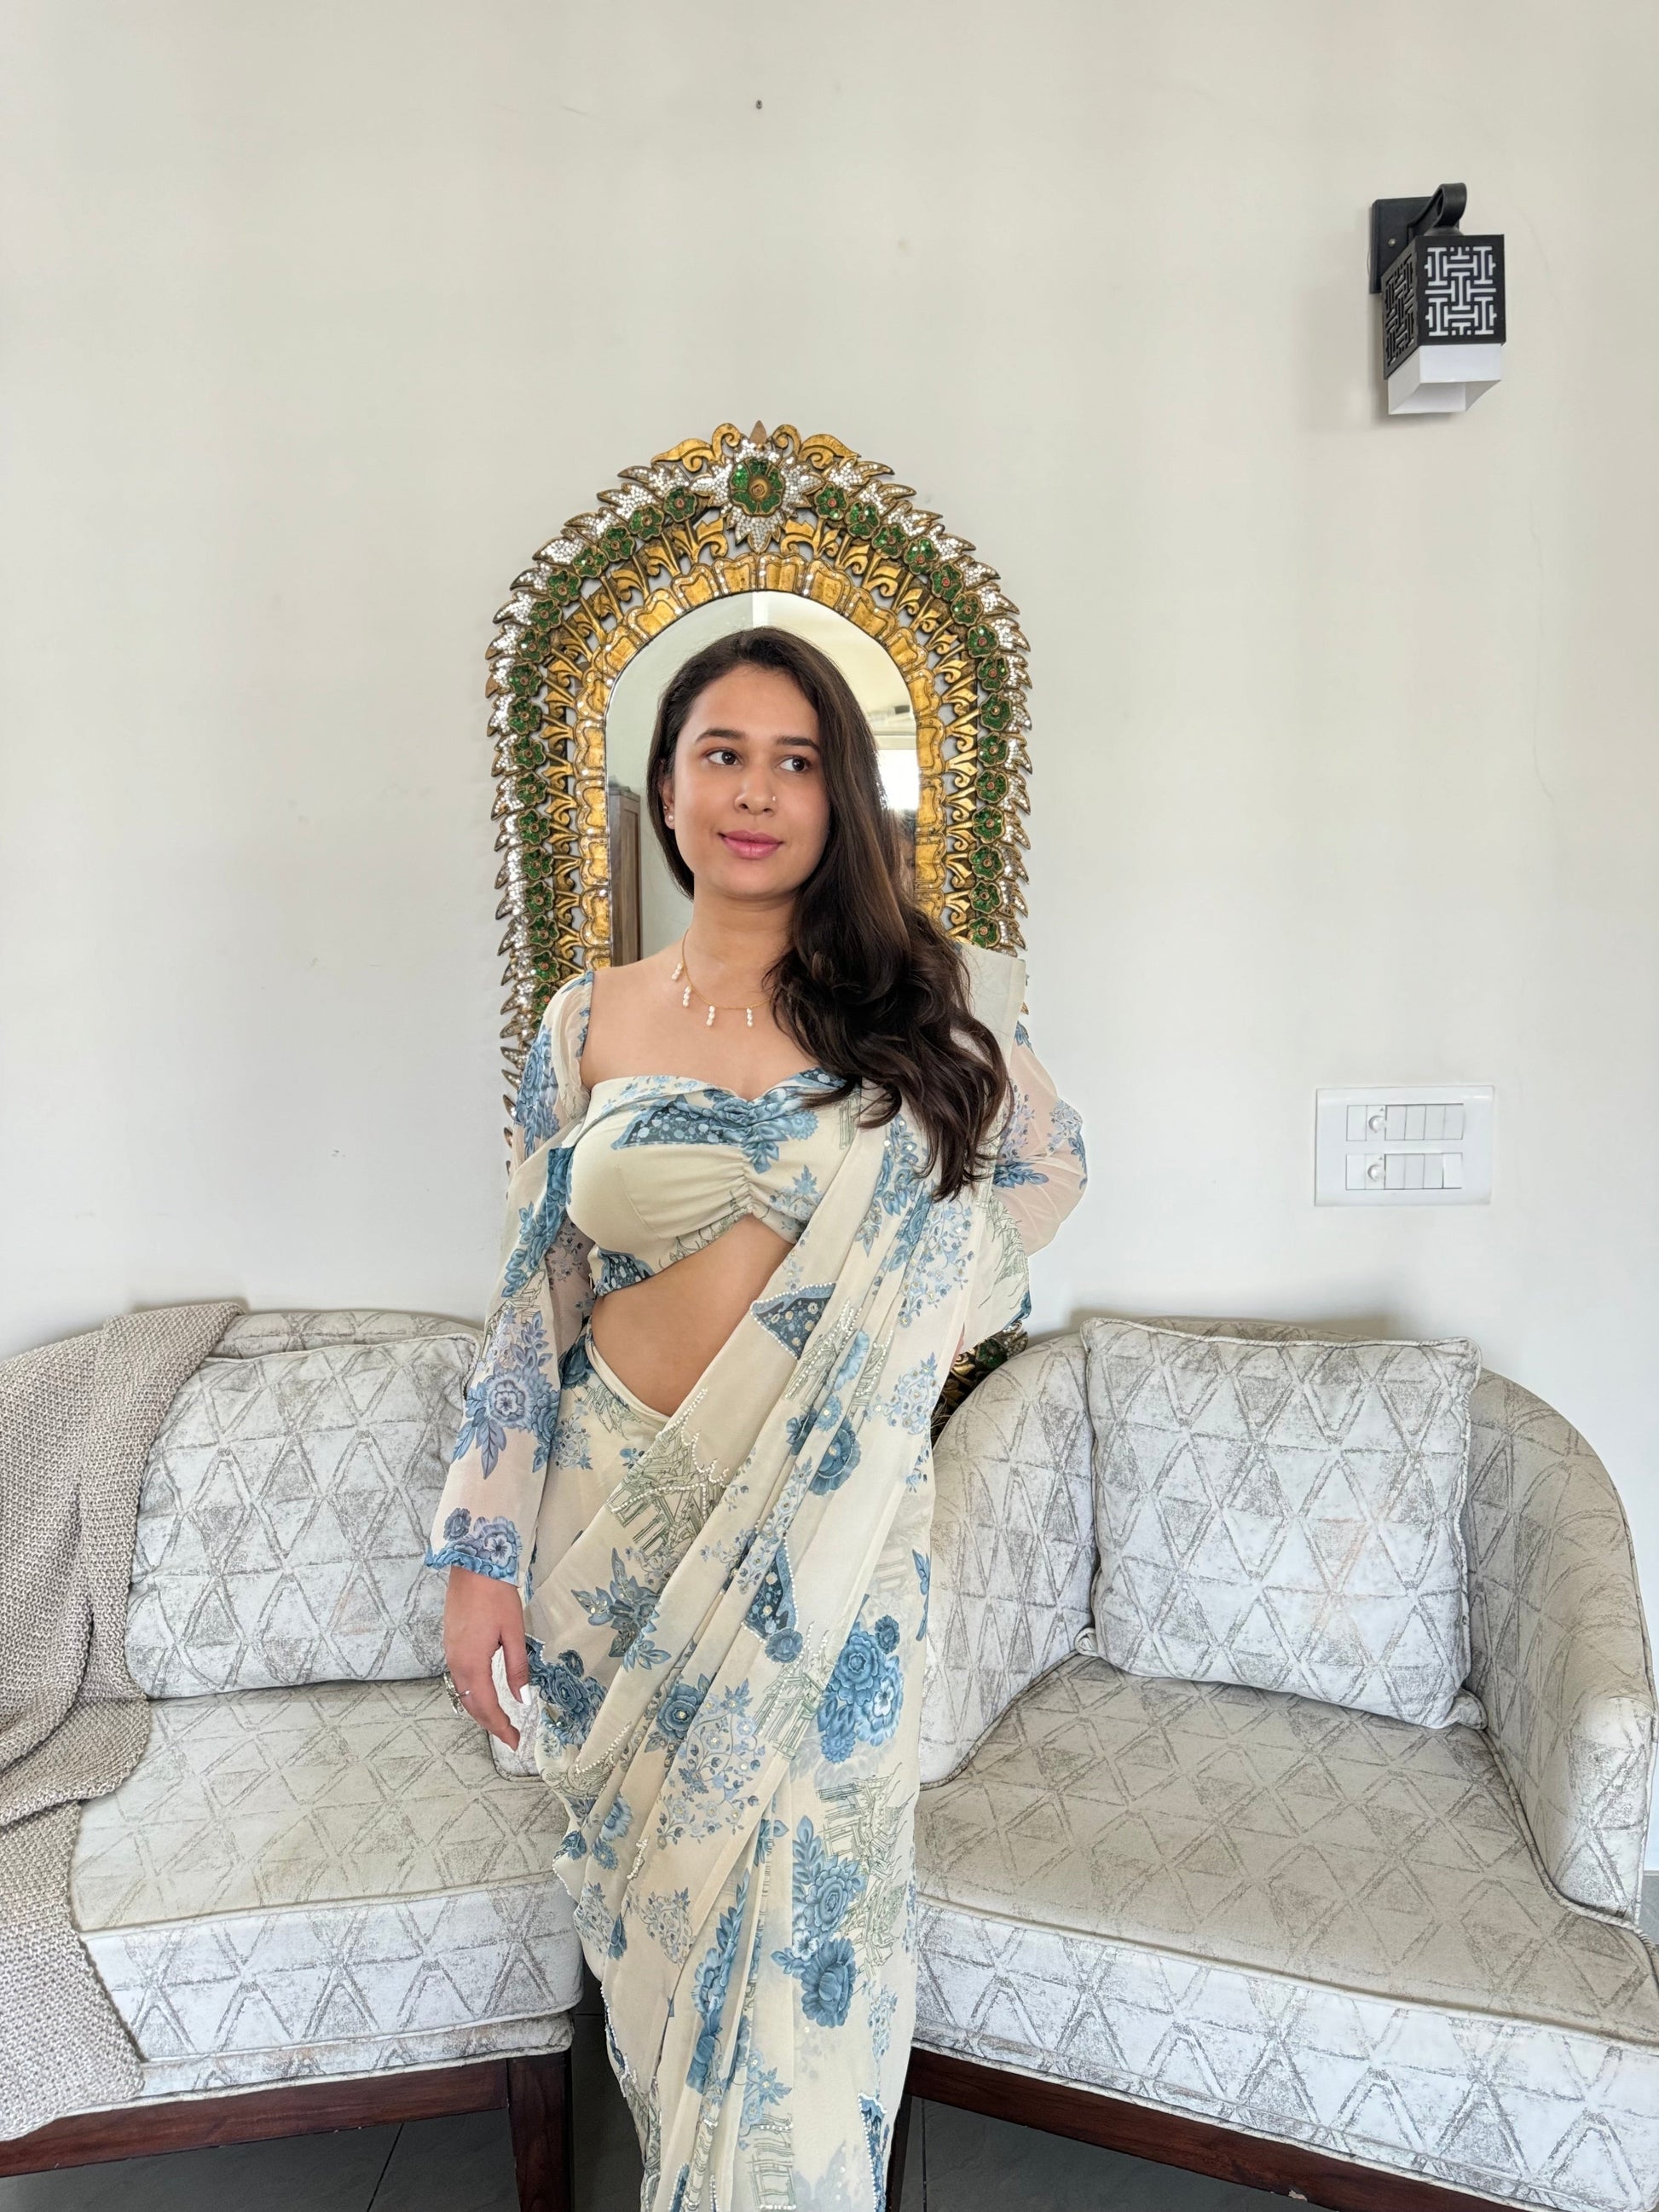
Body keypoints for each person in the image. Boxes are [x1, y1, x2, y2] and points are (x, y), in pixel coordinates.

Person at [427, 627, 1086, 2212]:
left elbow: (1045, 1171)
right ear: (664, 789)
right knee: (666, 1942)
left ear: (838, 798)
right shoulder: (585, 1021)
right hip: (612, 1533)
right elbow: (532, 1297)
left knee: (812, 1936)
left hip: (831, 1548)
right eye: (721, 753)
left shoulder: (924, 1012)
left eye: (797, 762)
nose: (756, 792)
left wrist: (899, 1329)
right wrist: (478, 1554)